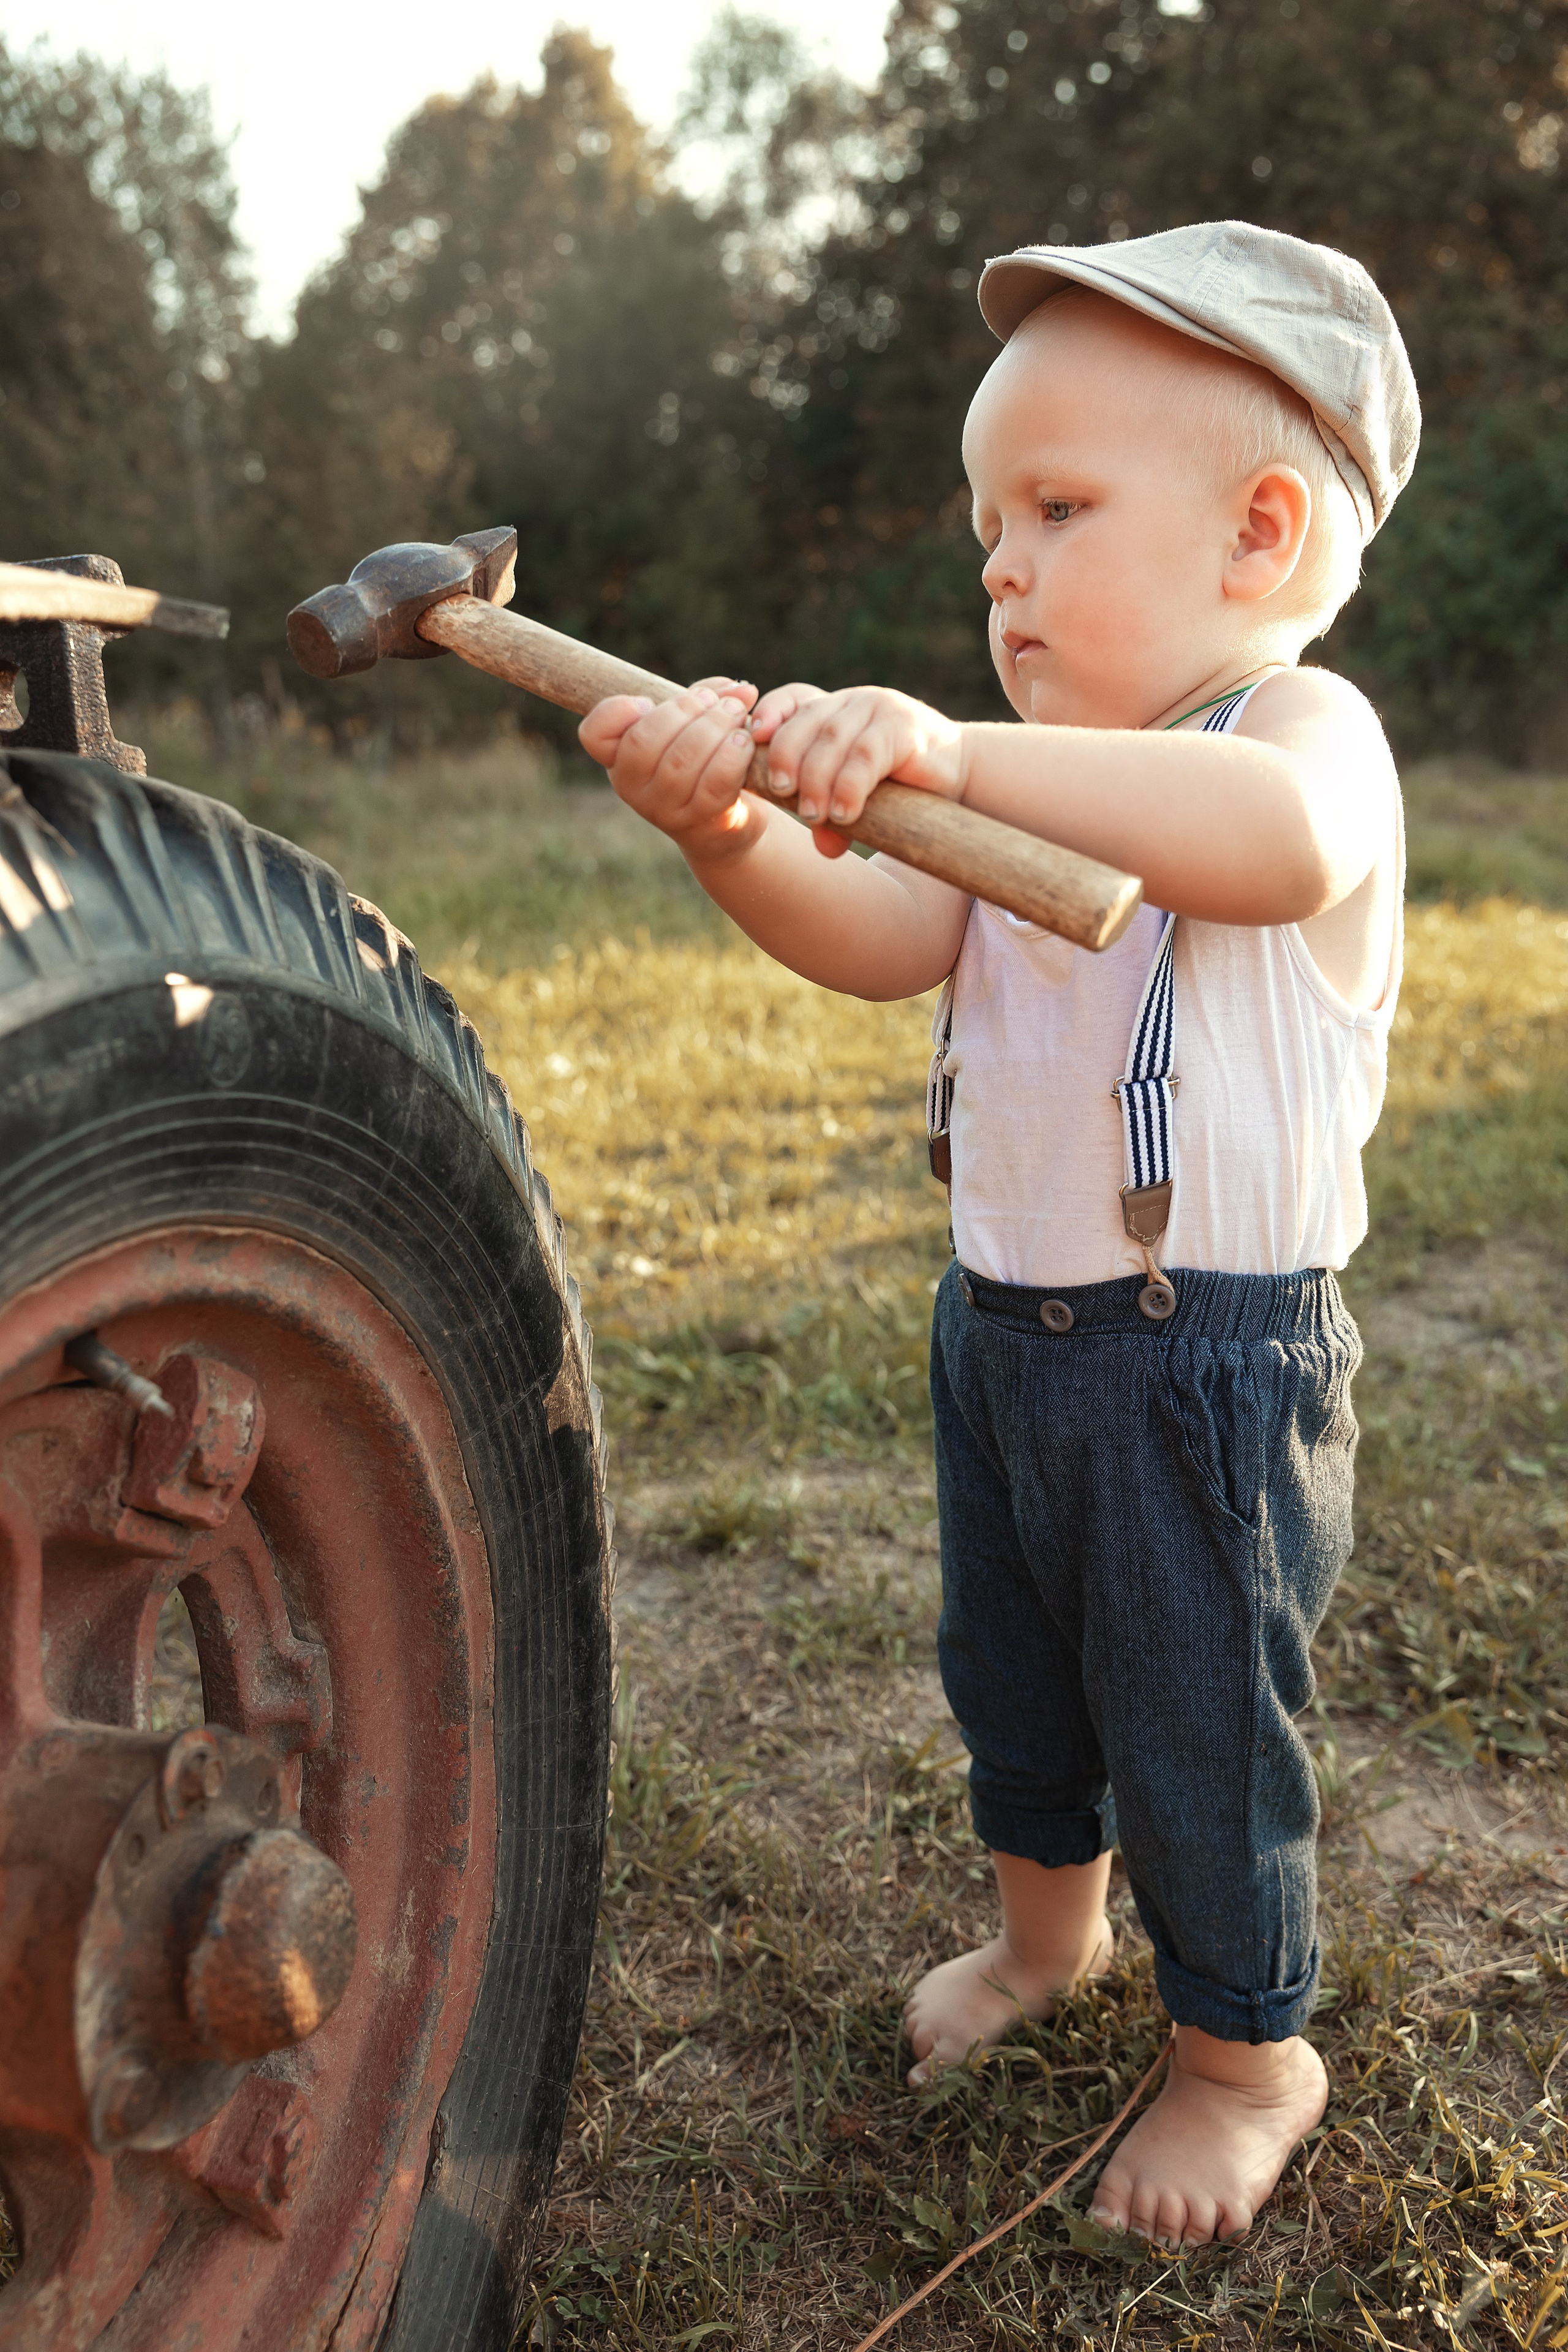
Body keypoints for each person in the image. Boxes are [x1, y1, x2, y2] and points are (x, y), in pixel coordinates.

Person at [578, 220, 1417, 2255]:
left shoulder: (1300, 744)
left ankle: (1244, 2058)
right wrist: (734, 832)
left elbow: (1269, 856)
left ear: (1262, 530)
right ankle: (1047, 1942)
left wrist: (950, 754)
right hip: (1007, 1341)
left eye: (1054, 509)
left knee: (1200, 1717)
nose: (1000, 568)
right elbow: (876, 941)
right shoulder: (991, 801)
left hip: (1202, 1361)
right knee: (1019, 1686)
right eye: (989, 528)